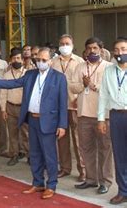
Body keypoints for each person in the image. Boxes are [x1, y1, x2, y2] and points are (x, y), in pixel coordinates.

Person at [0, 47, 68, 200]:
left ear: (50, 61)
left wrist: (62, 125)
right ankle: (38, 183)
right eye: (38, 60)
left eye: (43, 60)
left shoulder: (59, 78)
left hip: (49, 122)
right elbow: (14, 83)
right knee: (34, 154)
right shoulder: (30, 74)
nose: (40, 62)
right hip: (32, 119)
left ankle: (51, 185)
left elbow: (63, 103)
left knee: (49, 155)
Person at [72, 37, 114, 194]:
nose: (92, 51)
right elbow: (73, 88)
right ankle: (91, 179)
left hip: (104, 116)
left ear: (101, 50)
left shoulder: (109, 67)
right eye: (89, 48)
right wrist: (82, 85)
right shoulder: (80, 67)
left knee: (105, 149)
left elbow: (110, 91)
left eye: (95, 48)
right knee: (87, 148)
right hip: (84, 114)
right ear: (85, 50)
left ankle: (106, 181)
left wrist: (92, 85)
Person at [51, 34, 86, 181]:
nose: (64, 46)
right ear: (59, 46)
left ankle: (83, 170)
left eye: (67, 43)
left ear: (72, 45)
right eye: (62, 43)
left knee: (78, 140)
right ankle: (65, 168)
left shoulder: (80, 62)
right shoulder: (53, 62)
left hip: (75, 106)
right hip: (58, 107)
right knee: (61, 139)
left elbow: (84, 85)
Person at [98, 37, 127, 205]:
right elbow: (103, 96)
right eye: (117, 50)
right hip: (116, 116)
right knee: (120, 155)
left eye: (123, 49)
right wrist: (101, 119)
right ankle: (123, 191)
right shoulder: (109, 71)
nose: (120, 53)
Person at [0, 48, 29, 166]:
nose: (16, 60)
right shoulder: (6, 75)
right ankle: (14, 155)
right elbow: (3, 93)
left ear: (22, 60)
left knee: (26, 134)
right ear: (10, 60)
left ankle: (30, 155)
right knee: (12, 133)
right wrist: (3, 109)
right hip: (10, 107)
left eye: (18, 58)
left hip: (24, 108)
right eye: (14, 58)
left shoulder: (27, 74)